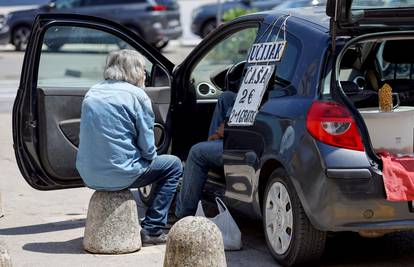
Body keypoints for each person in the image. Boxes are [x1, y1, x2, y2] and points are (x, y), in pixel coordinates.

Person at [76, 49, 182, 245]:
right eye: (142, 69)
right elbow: (148, 148)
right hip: (122, 173)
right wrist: (149, 157)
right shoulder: (137, 96)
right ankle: (153, 228)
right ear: (132, 71)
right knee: (173, 166)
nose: (144, 74)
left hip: (88, 173)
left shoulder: (93, 92)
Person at [174, 91, 236, 219]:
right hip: (241, 134)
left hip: (245, 142)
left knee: (197, 153)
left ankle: (183, 215)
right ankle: (211, 148)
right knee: (227, 97)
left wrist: (224, 130)